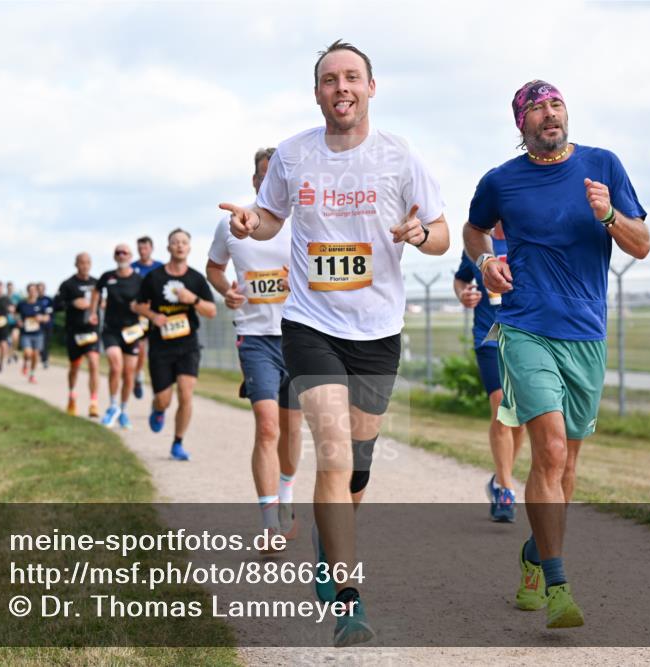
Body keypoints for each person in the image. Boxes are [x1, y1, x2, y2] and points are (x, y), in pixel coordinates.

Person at [219, 40, 448, 647]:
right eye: (328, 79)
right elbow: (269, 217)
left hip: (378, 331)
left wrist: (420, 232)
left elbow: (445, 234)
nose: (340, 87)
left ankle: (331, 541)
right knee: (335, 454)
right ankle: (349, 596)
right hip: (310, 324)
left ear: (372, 87)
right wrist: (250, 222)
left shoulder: (400, 155)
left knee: (359, 467)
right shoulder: (294, 155)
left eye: (352, 77)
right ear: (316, 91)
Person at [464, 79, 650, 629]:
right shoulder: (501, 180)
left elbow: (641, 244)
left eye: (556, 104)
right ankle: (559, 585)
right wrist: (486, 262)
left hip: (586, 335)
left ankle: (533, 554)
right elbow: (474, 234)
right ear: (520, 124)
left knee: (567, 465)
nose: (549, 114)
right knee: (546, 452)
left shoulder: (603, 165)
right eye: (537, 108)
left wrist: (608, 215)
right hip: (524, 328)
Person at [207, 147, 301, 540]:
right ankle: (269, 522)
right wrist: (227, 290)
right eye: (266, 175)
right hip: (255, 337)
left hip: (299, 336)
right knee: (266, 428)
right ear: (255, 180)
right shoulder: (232, 224)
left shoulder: (303, 221)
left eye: (280, 174)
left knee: (292, 430)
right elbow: (214, 267)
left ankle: (286, 496)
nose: (272, 181)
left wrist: (298, 281)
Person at [453, 222, 525, 522]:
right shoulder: (478, 244)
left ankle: (499, 478)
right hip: (490, 336)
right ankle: (506, 490)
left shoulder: (529, 237)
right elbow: (461, 280)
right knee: (501, 407)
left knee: (519, 417)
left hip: (526, 336)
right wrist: (464, 295)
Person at [133, 229, 216, 461]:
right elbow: (137, 305)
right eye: (175, 242)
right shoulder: (154, 277)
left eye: (184, 242)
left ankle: (177, 443)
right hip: (161, 345)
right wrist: (153, 316)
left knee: (186, 393)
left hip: (188, 344)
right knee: (164, 398)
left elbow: (211, 311)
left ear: (189, 248)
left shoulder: (196, 279)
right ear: (168, 248)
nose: (179, 246)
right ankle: (158, 409)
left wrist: (194, 300)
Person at [89, 244, 144, 429]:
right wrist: (93, 311)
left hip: (132, 331)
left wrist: (140, 308)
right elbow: (96, 291)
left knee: (129, 373)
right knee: (115, 364)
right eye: (118, 253)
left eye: (125, 253)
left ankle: (123, 410)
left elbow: (147, 300)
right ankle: (112, 406)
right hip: (111, 329)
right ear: (114, 256)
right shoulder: (107, 276)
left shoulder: (138, 279)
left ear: (130, 256)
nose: (121, 255)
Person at [58, 252, 101, 418]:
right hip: (74, 332)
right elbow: (57, 305)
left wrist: (101, 305)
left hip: (91, 330)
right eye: (82, 262)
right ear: (76, 264)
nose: (85, 265)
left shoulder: (96, 283)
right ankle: (72, 395)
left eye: (88, 262)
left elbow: (103, 301)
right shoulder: (68, 284)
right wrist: (72, 303)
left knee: (94, 362)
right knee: (74, 368)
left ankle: (93, 403)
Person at [131, 236, 164, 399]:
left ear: (151, 249)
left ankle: (160, 387)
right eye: (140, 249)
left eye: (145, 248)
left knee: (158, 351)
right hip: (141, 314)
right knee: (141, 347)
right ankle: (138, 375)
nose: (142, 251)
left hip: (158, 313)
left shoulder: (160, 268)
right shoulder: (132, 268)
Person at [16, 283, 49, 384]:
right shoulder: (22, 304)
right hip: (26, 333)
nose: (33, 292)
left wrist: (42, 318)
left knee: (35, 355)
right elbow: (16, 315)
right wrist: (19, 321)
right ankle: (25, 363)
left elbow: (47, 317)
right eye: (30, 290)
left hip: (38, 333)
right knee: (27, 353)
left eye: (34, 290)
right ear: (28, 292)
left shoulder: (40, 304)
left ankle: (32, 374)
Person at [36, 282, 55, 370]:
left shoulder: (49, 299)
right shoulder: (35, 300)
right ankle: (44, 359)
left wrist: (44, 317)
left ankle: (44, 359)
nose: (40, 290)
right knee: (40, 343)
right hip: (37, 326)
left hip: (48, 325)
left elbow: (51, 311)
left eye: (42, 288)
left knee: (46, 343)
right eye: (38, 289)